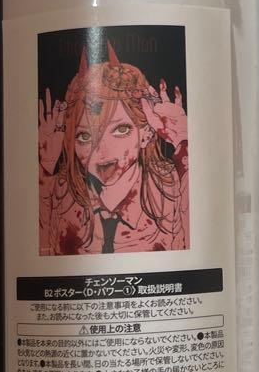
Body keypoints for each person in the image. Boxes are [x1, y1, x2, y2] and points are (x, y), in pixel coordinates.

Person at [38, 42, 189, 254]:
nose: (101, 151)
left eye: (120, 129)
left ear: (146, 133)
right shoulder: (61, 192)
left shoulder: (170, 186)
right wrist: (44, 169)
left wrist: (182, 141)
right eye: (84, 136)